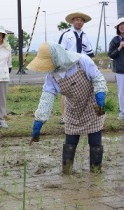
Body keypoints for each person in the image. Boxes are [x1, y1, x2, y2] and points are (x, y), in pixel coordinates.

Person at [27, 42, 108, 174]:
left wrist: (100, 95)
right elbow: (46, 99)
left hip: (92, 106)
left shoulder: (82, 61)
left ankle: (95, 171)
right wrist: (39, 121)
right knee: (70, 141)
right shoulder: (51, 77)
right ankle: (67, 171)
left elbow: (98, 79)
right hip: (73, 109)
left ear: (57, 58)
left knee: (95, 141)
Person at [58, 12, 94, 124]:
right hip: (69, 66)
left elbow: (89, 53)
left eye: (82, 20)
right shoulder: (66, 35)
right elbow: (60, 51)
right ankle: (64, 116)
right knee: (66, 92)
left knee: (82, 91)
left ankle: (79, 115)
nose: (79, 22)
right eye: (77, 20)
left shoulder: (85, 36)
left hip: (82, 66)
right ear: (72, 21)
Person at [108, 17, 124, 120]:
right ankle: (122, 113)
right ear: (118, 28)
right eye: (121, 25)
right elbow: (111, 55)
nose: (123, 27)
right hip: (120, 70)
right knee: (121, 92)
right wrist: (119, 47)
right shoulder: (115, 40)